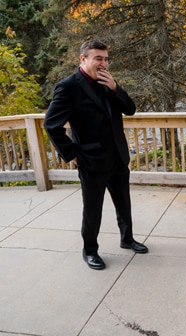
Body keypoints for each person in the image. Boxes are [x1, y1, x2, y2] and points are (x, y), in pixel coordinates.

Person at [44, 39, 147, 270]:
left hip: (118, 157)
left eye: (106, 58)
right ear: (83, 59)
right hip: (91, 161)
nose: (104, 63)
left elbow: (130, 109)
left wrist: (115, 88)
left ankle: (127, 239)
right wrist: (73, 155)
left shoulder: (107, 82)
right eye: (98, 58)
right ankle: (90, 251)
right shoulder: (68, 87)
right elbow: (51, 125)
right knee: (93, 210)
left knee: (124, 204)